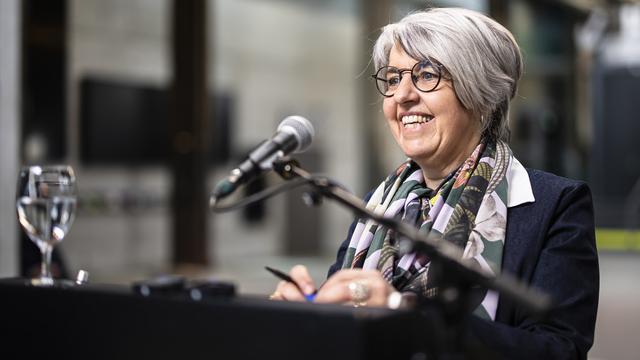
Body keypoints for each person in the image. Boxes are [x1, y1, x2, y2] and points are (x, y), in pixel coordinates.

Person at [269, 7, 599, 359]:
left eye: (426, 75)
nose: (402, 96)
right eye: (393, 79)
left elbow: (560, 351)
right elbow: (350, 321)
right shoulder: (375, 206)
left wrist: (404, 313)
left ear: (481, 93)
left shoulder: (556, 205)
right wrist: (306, 311)